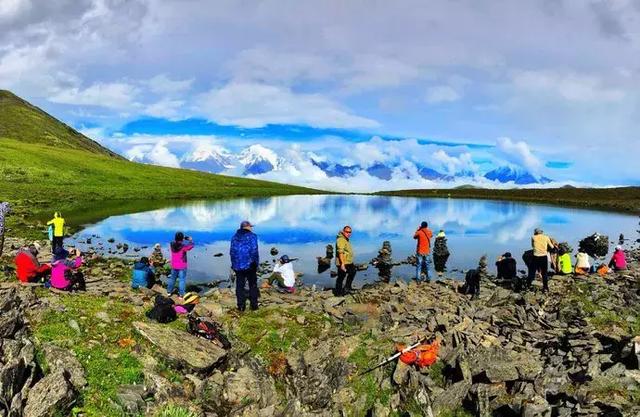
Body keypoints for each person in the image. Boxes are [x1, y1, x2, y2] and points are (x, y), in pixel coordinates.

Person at [230, 220, 260, 311]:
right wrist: (256, 264)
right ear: (247, 227)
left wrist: (233, 264)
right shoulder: (252, 236)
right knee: (253, 284)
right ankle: (254, 305)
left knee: (240, 285)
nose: (251, 228)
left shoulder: (234, 237)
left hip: (238, 265)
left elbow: (232, 252)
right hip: (250, 265)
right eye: (250, 226)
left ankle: (241, 306)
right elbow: (254, 251)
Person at [168, 232, 194, 298]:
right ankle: (181, 295)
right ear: (182, 239)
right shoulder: (183, 246)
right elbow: (191, 246)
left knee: (172, 278)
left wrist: (181, 238)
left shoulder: (172, 244)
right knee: (182, 280)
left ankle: (169, 292)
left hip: (174, 265)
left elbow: (176, 241)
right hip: (182, 266)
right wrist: (190, 240)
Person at [335, 225, 356, 296]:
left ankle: (347, 288)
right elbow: (340, 252)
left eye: (350, 232)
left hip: (348, 261)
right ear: (343, 231)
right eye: (347, 232)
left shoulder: (345, 239)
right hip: (343, 262)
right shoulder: (341, 239)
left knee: (353, 272)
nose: (349, 233)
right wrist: (342, 264)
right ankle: (338, 293)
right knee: (341, 277)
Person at [531, 228, 554, 292]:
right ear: (541, 232)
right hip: (543, 256)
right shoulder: (546, 237)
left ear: (535, 232)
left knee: (532, 271)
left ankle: (530, 285)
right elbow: (552, 246)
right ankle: (545, 287)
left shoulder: (533, 237)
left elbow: (532, 246)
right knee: (544, 273)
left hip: (535, 256)